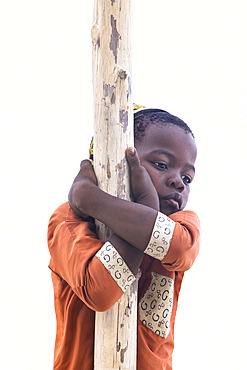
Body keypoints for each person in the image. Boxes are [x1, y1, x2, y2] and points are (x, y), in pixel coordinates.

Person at [47, 106, 200, 370]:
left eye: (187, 177)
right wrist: (140, 207)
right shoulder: (69, 221)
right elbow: (100, 290)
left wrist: (90, 198)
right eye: (162, 165)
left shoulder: (182, 224)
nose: (179, 182)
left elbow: (179, 247)